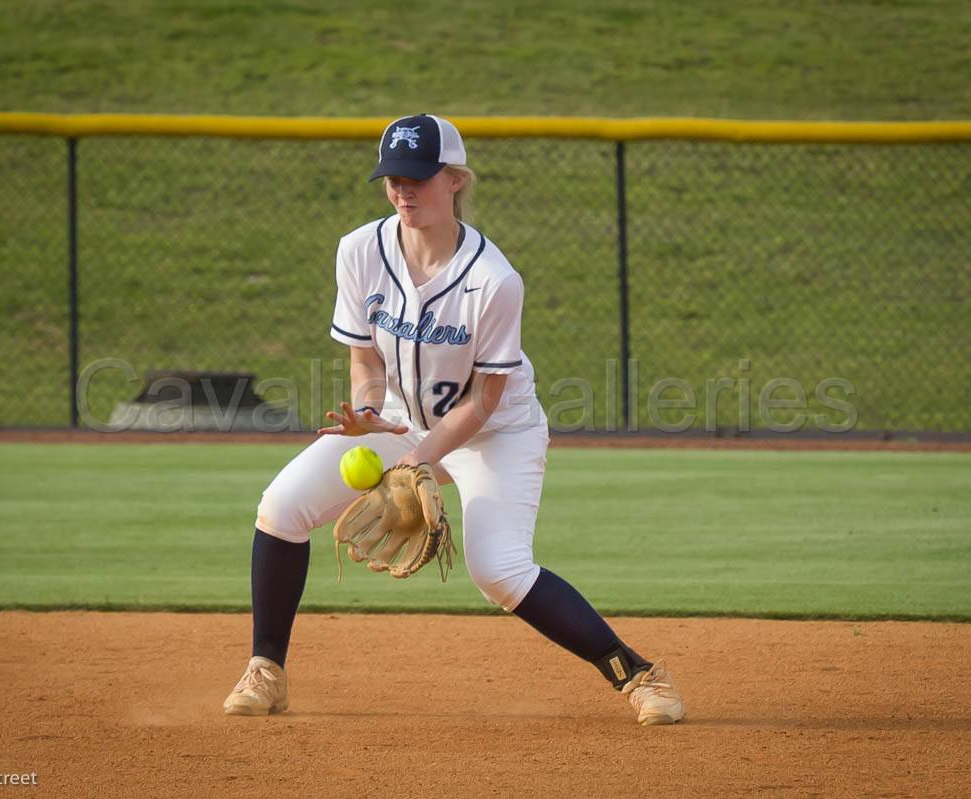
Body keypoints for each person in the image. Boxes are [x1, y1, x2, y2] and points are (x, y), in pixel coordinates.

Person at [222, 114, 685, 725]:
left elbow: (485, 401)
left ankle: (641, 675)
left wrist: (417, 462)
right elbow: (365, 360)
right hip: (397, 422)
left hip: (495, 433)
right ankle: (267, 672)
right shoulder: (360, 250)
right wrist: (365, 410)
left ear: (455, 180)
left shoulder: (494, 280)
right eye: (392, 177)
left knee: (498, 570)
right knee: (282, 509)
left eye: (418, 176)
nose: (403, 190)